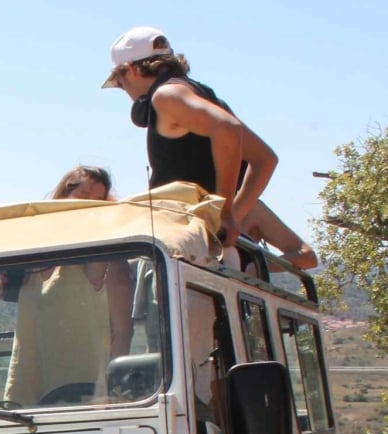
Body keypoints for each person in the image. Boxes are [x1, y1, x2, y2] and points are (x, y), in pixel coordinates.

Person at [103, 26, 317, 269]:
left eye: (120, 84)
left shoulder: (167, 96)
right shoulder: (202, 95)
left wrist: (225, 213)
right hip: (205, 253)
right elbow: (264, 159)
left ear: (130, 70)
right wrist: (232, 217)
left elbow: (227, 128)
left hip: (191, 256)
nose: (126, 93)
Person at [4, 167, 137, 407]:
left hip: (87, 397)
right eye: (83, 193)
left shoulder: (109, 255)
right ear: (64, 193)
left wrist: (113, 390)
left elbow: (123, 330)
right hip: (31, 397)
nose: (88, 204)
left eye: (97, 200)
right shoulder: (30, 254)